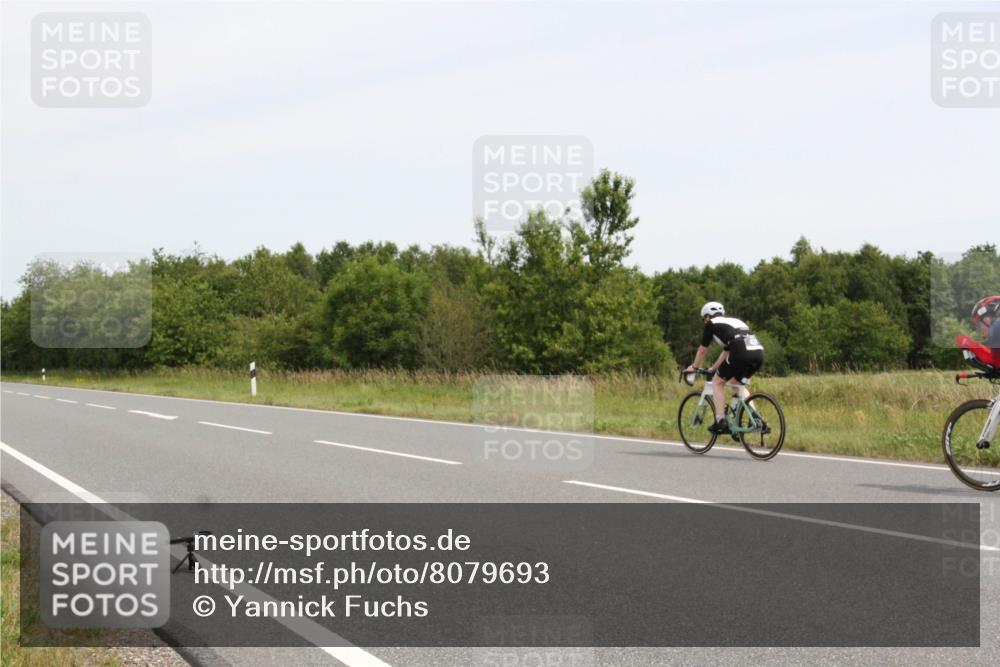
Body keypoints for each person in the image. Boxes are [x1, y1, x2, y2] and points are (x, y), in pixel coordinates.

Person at [683, 302, 765, 434]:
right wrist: (713, 368)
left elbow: (703, 350)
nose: (704, 322)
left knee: (717, 382)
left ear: (707, 316)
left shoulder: (711, 323)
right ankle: (756, 419)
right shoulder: (734, 322)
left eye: (704, 319)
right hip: (758, 352)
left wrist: (694, 367)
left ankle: (720, 421)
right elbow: (727, 351)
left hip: (741, 351)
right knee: (736, 384)